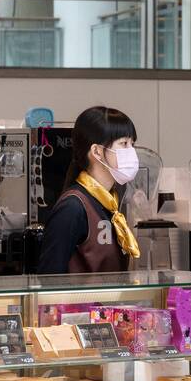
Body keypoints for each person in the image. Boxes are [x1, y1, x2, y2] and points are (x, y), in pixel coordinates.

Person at [36, 106, 141, 274]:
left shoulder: (111, 203)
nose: (131, 152)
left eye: (132, 144)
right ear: (97, 152)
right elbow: (49, 277)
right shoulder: (72, 208)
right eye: (124, 144)